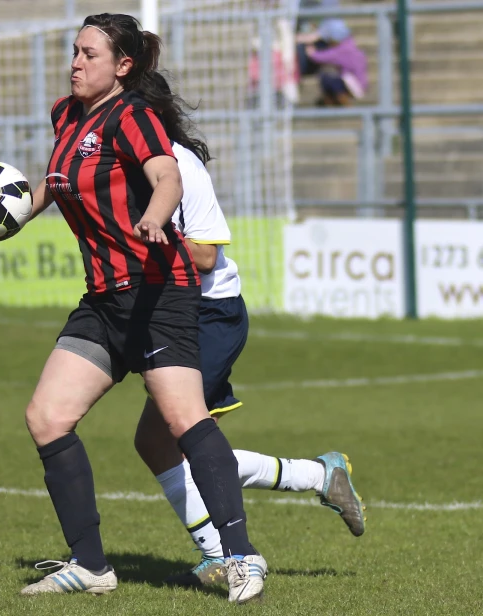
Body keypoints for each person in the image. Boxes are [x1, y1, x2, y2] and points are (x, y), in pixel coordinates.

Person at [19, 13, 266, 604]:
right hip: (104, 299)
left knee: (183, 420)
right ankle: (90, 565)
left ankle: (242, 558)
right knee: (47, 417)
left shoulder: (134, 116)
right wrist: (9, 214)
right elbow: (56, 184)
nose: (75, 63)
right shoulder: (65, 114)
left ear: (123, 66)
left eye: (89, 55)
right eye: (74, 52)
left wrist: (154, 216)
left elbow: (167, 177)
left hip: (157, 292)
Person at [133, 72, 366, 588]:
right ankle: (317, 478)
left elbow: (208, 254)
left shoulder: (179, 165)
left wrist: (153, 236)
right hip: (166, 311)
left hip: (208, 314)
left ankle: (229, 550)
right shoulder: (120, 162)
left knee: (183, 437)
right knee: (156, 440)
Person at [297, 18, 368, 106]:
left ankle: (339, 98)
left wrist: (311, 52)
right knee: (330, 74)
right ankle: (335, 98)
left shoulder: (343, 50)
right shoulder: (351, 45)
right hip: (360, 84)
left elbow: (321, 57)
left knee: (325, 77)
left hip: (354, 86)